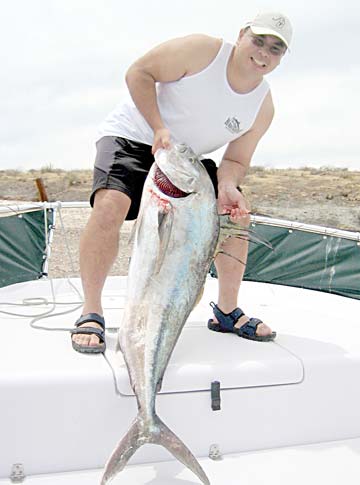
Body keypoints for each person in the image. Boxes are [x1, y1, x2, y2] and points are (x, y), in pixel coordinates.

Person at [71, 11, 293, 353]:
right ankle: (91, 311)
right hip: (135, 136)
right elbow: (139, 73)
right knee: (112, 204)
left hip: (185, 158)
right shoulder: (202, 51)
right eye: (258, 40)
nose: (263, 52)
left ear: (282, 57)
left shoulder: (262, 106)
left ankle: (227, 311)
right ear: (242, 34)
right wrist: (159, 126)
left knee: (236, 217)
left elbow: (234, 160)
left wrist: (229, 185)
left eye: (275, 48)